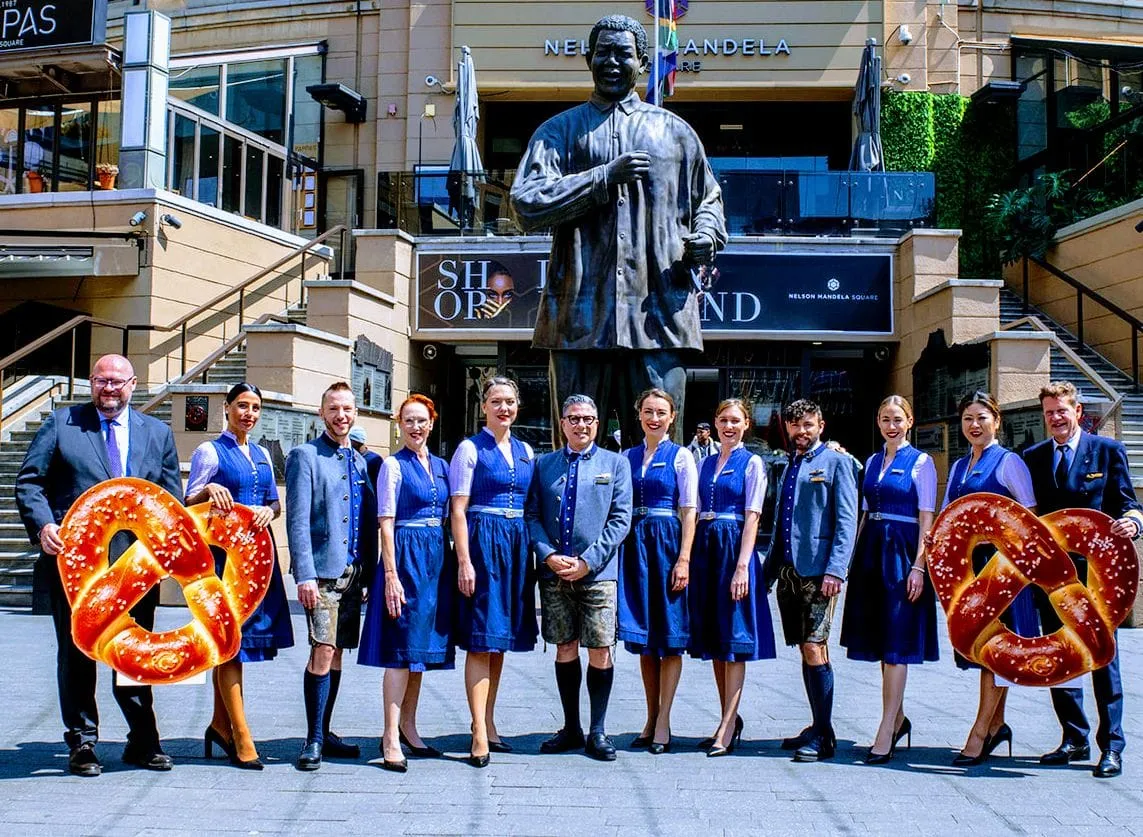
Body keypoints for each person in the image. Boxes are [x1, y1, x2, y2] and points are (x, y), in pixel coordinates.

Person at [510, 14, 726, 448]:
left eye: (623, 52)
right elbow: (525, 204)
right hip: (579, 318)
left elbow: (710, 202)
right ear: (588, 58)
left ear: (642, 62)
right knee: (573, 450)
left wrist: (707, 235)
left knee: (661, 453)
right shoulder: (559, 132)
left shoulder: (676, 134)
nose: (612, 61)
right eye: (603, 52)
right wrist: (601, 178)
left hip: (658, 315)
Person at [15, 354, 181, 776]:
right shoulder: (62, 424)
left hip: (134, 568)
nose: (109, 389)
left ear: (133, 384)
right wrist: (43, 525)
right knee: (76, 654)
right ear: (91, 383)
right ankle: (83, 743)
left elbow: (169, 500)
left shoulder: (157, 433)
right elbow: (30, 481)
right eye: (101, 381)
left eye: (117, 382)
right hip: (75, 568)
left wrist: (164, 552)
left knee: (134, 653)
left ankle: (143, 740)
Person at [1024, 381, 1143, 779]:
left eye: (1062, 411)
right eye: (1049, 413)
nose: (1055, 418)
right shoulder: (1034, 456)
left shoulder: (1107, 451)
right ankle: (1074, 737)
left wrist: (1132, 522)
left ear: (1078, 412)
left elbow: (1129, 503)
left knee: (1102, 659)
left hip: (1096, 579)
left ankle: (1112, 746)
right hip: (1053, 579)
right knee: (1061, 656)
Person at [185, 382, 293, 770]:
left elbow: (273, 502)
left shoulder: (263, 452)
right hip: (221, 561)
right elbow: (189, 501)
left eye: (255, 407)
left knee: (235, 644)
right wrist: (209, 488)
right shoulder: (209, 451)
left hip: (256, 559)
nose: (249, 413)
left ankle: (219, 724)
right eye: (242, 406)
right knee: (228, 643)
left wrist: (269, 512)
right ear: (227, 408)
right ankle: (242, 735)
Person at [526, 394, 632, 761]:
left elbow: (620, 520)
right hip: (555, 572)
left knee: (601, 647)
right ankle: (571, 727)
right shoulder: (544, 465)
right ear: (562, 424)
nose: (581, 425)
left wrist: (588, 561)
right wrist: (548, 555)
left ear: (597, 424)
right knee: (565, 646)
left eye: (587, 419)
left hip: (598, 574)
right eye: (573, 419)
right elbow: (532, 515)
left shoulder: (616, 465)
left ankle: (597, 730)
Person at [938, 391, 1039, 767]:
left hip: (1003, 572)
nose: (974, 425)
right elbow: (949, 514)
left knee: (994, 653)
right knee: (984, 651)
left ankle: (979, 733)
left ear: (996, 420)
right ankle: (997, 725)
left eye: (981, 417)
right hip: (971, 572)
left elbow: (1029, 517)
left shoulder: (1008, 461)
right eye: (967, 419)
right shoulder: (961, 465)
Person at [839, 395, 939, 764]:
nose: (891, 425)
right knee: (883, 641)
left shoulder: (922, 462)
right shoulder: (872, 461)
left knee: (897, 641)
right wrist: (851, 560)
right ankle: (897, 718)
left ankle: (886, 728)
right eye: (884, 418)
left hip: (902, 553)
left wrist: (919, 567)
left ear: (909, 421)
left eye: (897, 418)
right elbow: (865, 514)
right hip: (871, 554)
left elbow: (927, 518)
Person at [359, 394, 455, 773]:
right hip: (406, 555)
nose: (416, 427)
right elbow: (385, 520)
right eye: (409, 421)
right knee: (400, 650)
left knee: (420, 650)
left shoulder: (442, 466)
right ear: (399, 425)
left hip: (435, 559)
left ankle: (410, 726)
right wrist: (391, 575)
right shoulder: (392, 467)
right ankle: (390, 735)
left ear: (432, 423)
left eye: (422, 420)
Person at [286, 382, 378, 771]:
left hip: (353, 573)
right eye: (334, 409)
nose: (341, 416)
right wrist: (304, 574)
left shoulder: (357, 460)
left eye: (348, 409)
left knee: (338, 651)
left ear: (355, 414)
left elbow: (368, 519)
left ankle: (326, 731)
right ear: (321, 413)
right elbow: (297, 520)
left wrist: (371, 573)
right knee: (322, 650)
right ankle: (313, 739)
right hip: (322, 573)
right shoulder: (305, 455)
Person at [763, 398, 858, 763]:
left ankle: (823, 735)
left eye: (808, 424)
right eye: (795, 425)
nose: (801, 431)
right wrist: (768, 572)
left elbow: (846, 520)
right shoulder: (789, 464)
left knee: (816, 647)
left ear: (821, 424)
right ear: (787, 427)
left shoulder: (837, 462)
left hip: (820, 573)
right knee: (805, 647)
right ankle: (820, 726)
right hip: (789, 570)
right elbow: (781, 523)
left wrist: (836, 569)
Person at [449, 377, 537, 768]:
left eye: (510, 402)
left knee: (499, 639)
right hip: (484, 543)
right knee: (482, 637)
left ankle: (488, 719)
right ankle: (478, 730)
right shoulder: (470, 449)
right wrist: (465, 561)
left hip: (516, 546)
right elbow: (458, 510)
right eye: (496, 401)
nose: (504, 408)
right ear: (483, 406)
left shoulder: (526, 451)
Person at [688, 398, 776, 757]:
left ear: (746, 425)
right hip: (707, 549)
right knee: (716, 639)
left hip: (732, 545)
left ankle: (727, 723)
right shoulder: (705, 462)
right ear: (715, 422)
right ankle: (727, 716)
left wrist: (743, 565)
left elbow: (753, 516)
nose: (728, 426)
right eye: (723, 419)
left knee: (735, 637)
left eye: (735, 421)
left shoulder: (752, 462)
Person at [619, 388, 698, 754]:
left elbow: (689, 510)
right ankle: (650, 718)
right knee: (646, 640)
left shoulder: (681, 456)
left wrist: (684, 558)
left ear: (672, 417)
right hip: (636, 545)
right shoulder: (626, 457)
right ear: (639, 415)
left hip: (666, 543)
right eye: (648, 411)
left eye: (661, 412)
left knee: (670, 636)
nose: (654, 418)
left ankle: (664, 720)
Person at [349, 425, 384, 490]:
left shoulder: (375, 460)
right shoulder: (350, 458)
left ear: (357, 442)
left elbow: (381, 485)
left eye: (349, 440)